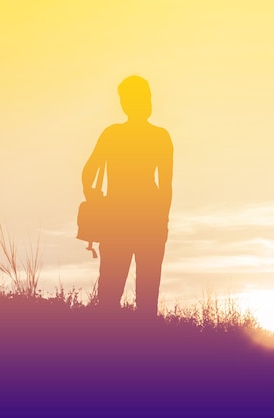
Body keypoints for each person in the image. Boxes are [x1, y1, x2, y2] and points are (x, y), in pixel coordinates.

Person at [82, 76, 173, 318]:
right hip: (148, 222)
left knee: (110, 295)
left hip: (117, 219)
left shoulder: (112, 134)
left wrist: (93, 198)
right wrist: (163, 222)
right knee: (146, 296)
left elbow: (88, 172)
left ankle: (110, 345)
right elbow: (166, 187)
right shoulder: (160, 137)